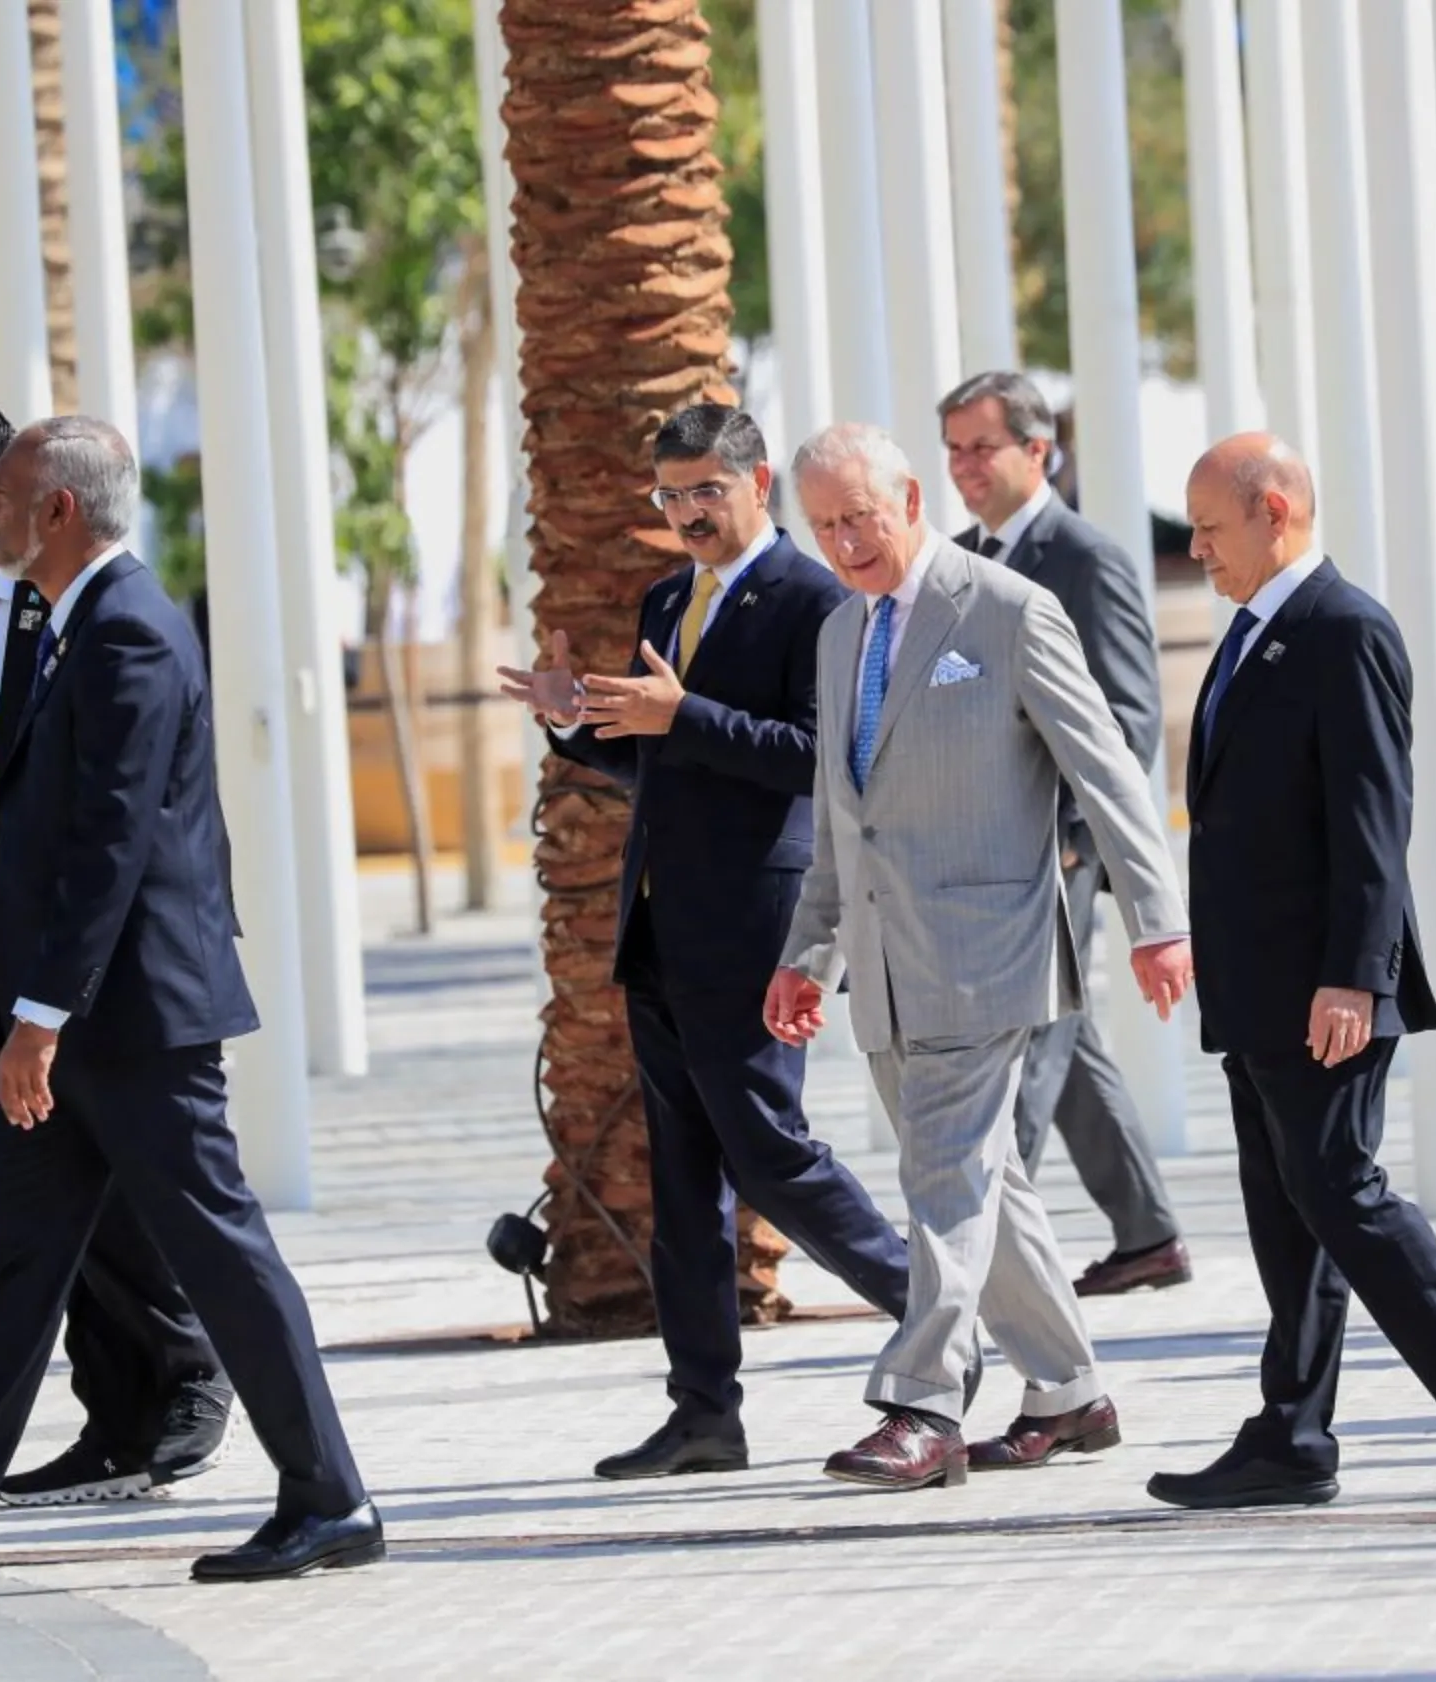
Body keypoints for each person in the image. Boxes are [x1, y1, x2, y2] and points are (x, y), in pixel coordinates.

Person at [0, 417, 381, 1595]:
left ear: (57, 509)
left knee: (221, 1251)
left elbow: (111, 843)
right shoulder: (60, 625)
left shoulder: (131, 632)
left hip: (136, 1018)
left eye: (1, 494)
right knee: (17, 1265)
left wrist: (40, 1017)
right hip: (63, 1017)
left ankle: (332, 1495)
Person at [1148, 434, 1436, 1511]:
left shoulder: (1344, 628)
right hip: (1258, 983)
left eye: (1211, 524)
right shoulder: (1255, 633)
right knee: (1288, 1208)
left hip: (1321, 985)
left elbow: (1374, 818)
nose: (1196, 546)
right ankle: (1292, 1432)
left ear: (1276, 509)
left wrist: (1354, 974)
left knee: (1339, 1187)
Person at [764, 423, 1192, 1491]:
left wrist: (1156, 915)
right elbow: (840, 818)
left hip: (988, 949)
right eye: (822, 526)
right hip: (886, 961)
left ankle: (921, 1401)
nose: (845, 542)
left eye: (859, 516)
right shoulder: (839, 632)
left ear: (910, 497)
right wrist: (807, 950)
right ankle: (1067, 1389)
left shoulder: (1005, 609)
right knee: (982, 1180)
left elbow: (1108, 770)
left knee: (941, 1178)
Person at [501, 403, 917, 1478]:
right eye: (670, 495)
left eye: (705, 492)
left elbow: (824, 756)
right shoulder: (665, 597)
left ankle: (942, 1309)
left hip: (755, 928)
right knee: (681, 1179)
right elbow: (666, 758)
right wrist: (572, 720)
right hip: (661, 927)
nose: (687, 513)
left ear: (758, 482)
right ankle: (703, 1413)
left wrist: (682, 716)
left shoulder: (813, 599)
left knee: (772, 1154)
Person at [0, 398, 236, 1506]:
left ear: (5, 495)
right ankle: (115, 1418)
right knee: (55, 1220)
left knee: (137, 1202)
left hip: (95, 967)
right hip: (0, 959)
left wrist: (54, 995)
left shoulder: (75, 618)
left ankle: (186, 1388)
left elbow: (108, 820)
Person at [938, 370, 1190, 1296]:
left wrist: (1080, 835)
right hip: (981, 854)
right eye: (954, 449)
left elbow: (1128, 718)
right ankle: (1148, 1233)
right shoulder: (958, 559)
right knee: (1065, 1044)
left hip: (1061, 852)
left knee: (1027, 1058)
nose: (963, 466)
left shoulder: (1087, 557)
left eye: (980, 447)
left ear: (1037, 451)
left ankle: (981, 1269)